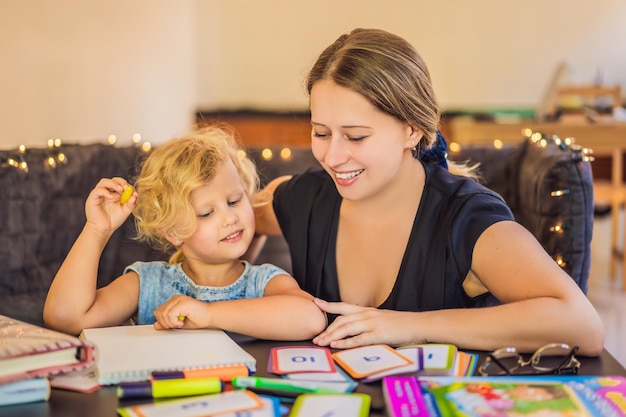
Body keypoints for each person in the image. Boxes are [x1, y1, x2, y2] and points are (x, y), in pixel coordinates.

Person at [252, 28, 604, 356]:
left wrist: (412, 326)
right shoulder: (304, 197)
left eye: (356, 136)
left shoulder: (467, 220)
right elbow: (228, 224)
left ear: (413, 131)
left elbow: (582, 325)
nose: (332, 157)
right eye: (321, 133)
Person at [44, 126, 327, 339]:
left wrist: (208, 314)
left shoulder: (263, 282)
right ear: (173, 232)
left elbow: (311, 318)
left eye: (235, 200)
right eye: (206, 213)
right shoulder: (148, 284)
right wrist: (97, 230)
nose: (229, 218)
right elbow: (65, 318)